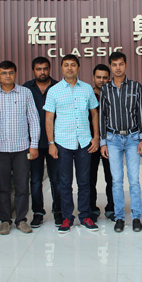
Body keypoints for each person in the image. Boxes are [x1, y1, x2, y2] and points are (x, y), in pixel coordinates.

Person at [43, 54, 100, 233]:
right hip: (62, 143)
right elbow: (49, 118)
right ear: (61, 68)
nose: (69, 68)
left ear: (78, 67)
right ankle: (67, 217)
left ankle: (85, 216)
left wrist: (96, 137)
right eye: (66, 65)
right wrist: (51, 143)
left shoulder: (87, 89)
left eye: (73, 64)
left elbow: (94, 114)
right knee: (64, 183)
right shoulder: (54, 91)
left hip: (84, 142)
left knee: (84, 182)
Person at [0, 60, 40, 235]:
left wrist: (33, 145)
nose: (7, 76)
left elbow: (33, 119)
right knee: (3, 187)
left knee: (22, 186)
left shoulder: (25, 93)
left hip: (22, 149)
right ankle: (5, 220)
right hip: (0, 150)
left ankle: (21, 219)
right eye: (4, 73)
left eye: (10, 72)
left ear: (15, 74)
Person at [100, 51, 142, 233]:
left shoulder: (136, 87)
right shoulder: (105, 89)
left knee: (134, 180)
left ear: (126, 65)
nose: (118, 68)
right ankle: (119, 217)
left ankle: (136, 217)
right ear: (110, 67)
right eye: (114, 65)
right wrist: (103, 142)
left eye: (121, 64)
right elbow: (103, 117)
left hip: (132, 138)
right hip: (112, 139)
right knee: (116, 180)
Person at [23, 57, 62, 228]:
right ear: (33, 70)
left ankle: (58, 211)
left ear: (49, 69)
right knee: (35, 180)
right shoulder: (26, 89)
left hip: (55, 142)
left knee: (56, 179)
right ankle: (38, 212)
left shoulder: (59, 87)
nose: (42, 72)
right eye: (39, 69)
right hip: (34, 143)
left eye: (45, 68)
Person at [89, 64, 115, 222]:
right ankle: (91, 209)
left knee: (111, 177)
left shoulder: (113, 95)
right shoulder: (87, 94)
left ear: (109, 79)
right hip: (91, 142)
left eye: (105, 77)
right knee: (90, 178)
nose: (102, 80)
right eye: (98, 77)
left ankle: (112, 208)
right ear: (93, 78)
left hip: (110, 142)